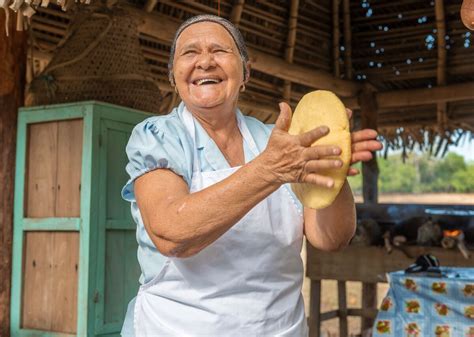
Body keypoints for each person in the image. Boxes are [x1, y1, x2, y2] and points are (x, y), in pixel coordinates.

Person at [120, 14, 382, 337]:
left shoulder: (280, 141)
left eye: (219, 50)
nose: (204, 62)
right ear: (174, 76)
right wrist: (269, 171)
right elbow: (172, 233)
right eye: (189, 53)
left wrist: (334, 168)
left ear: (245, 72)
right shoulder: (157, 138)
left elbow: (330, 239)